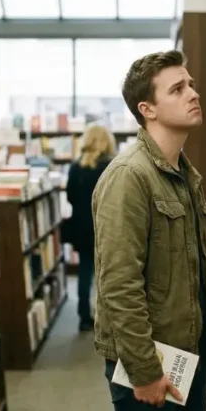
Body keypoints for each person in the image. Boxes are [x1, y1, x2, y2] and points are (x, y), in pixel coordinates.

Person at [92, 50, 206, 411]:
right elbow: (118, 286)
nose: (193, 93)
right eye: (177, 88)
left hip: (189, 357)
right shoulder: (129, 178)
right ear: (146, 110)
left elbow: (198, 275)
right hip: (150, 362)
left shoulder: (183, 177)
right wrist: (144, 371)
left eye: (190, 84)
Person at [65, 124, 117, 332]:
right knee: (109, 273)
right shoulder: (112, 167)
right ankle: (107, 319)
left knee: (85, 271)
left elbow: (69, 196)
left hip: (82, 226)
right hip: (108, 226)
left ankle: (84, 318)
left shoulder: (76, 167)